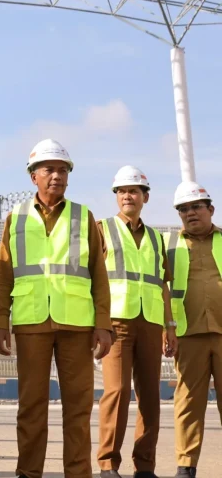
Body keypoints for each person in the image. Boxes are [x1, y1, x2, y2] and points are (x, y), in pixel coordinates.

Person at [0, 139, 113, 478]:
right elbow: (3, 273)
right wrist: (1, 321)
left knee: (77, 408)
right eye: (49, 170)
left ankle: (78, 474)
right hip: (31, 322)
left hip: (77, 324)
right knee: (31, 408)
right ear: (33, 176)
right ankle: (28, 473)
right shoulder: (15, 219)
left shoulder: (83, 216)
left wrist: (102, 322)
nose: (57, 176)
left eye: (63, 170)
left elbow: (98, 275)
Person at [97, 166, 175, 478]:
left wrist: (170, 327)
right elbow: (94, 280)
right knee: (116, 391)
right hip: (116, 322)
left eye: (133, 190)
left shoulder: (157, 239)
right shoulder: (102, 228)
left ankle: (145, 467)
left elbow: (163, 284)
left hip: (151, 323)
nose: (127, 195)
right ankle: (107, 464)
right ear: (116, 196)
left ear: (145, 196)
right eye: (121, 191)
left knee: (150, 397)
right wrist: (98, 323)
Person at [168, 181, 222, 478]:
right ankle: (186, 466)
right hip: (188, 334)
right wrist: (168, 328)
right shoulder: (170, 245)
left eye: (195, 207)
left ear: (210, 209)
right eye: (183, 209)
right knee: (188, 402)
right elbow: (162, 290)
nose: (190, 213)